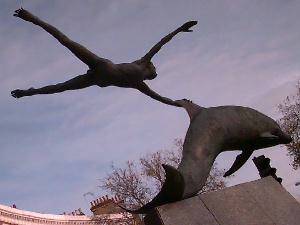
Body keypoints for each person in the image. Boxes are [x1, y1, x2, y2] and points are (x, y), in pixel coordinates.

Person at [11, 8, 197, 107]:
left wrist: (178, 104)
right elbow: (161, 43)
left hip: (97, 77)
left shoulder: (140, 83)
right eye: (155, 67)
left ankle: (28, 92)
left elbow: (160, 98)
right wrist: (179, 29)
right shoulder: (142, 66)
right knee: (65, 42)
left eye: (154, 69)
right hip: (103, 68)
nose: (155, 68)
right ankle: (32, 18)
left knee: (61, 87)